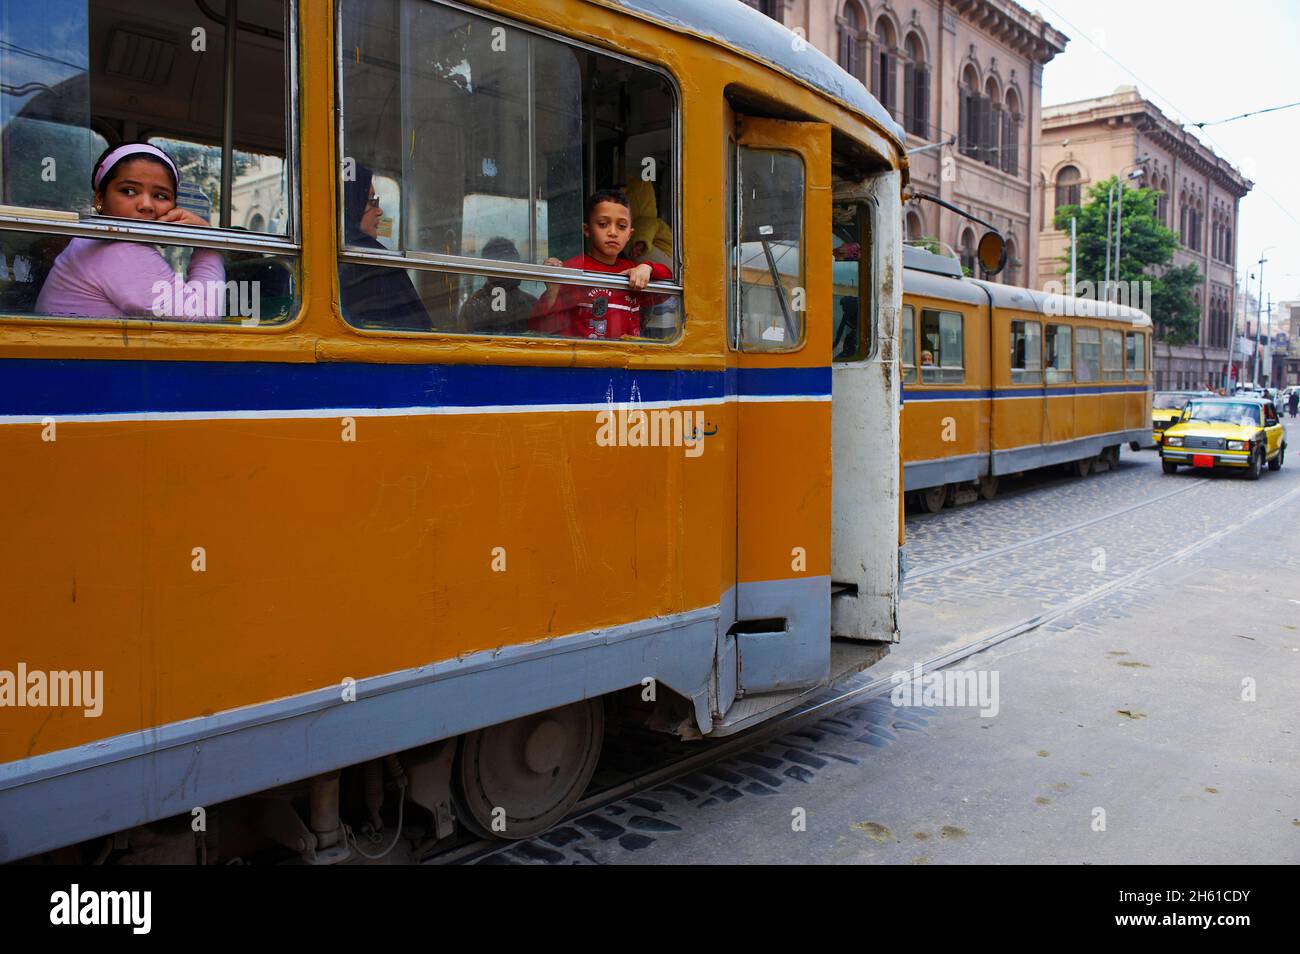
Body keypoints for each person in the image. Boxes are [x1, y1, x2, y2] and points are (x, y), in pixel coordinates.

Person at [35, 141, 225, 320]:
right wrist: (207, 241)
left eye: (160, 196)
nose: (146, 205)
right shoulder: (118, 250)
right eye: (128, 191)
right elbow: (205, 317)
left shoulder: (92, 241)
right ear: (99, 198)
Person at [531, 189, 671, 340]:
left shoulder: (632, 270)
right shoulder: (573, 268)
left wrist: (648, 268)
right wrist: (553, 290)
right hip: (588, 359)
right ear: (587, 229)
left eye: (622, 226)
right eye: (603, 224)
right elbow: (541, 327)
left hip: (627, 358)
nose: (613, 232)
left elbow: (666, 287)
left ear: (630, 234)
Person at [338, 166, 431, 332]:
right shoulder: (376, 260)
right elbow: (416, 327)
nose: (379, 211)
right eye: (371, 201)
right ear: (352, 204)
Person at [456, 237, 535, 335]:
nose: (512, 269)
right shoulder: (473, 306)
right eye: (505, 265)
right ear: (488, 269)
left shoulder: (530, 303)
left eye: (513, 263)